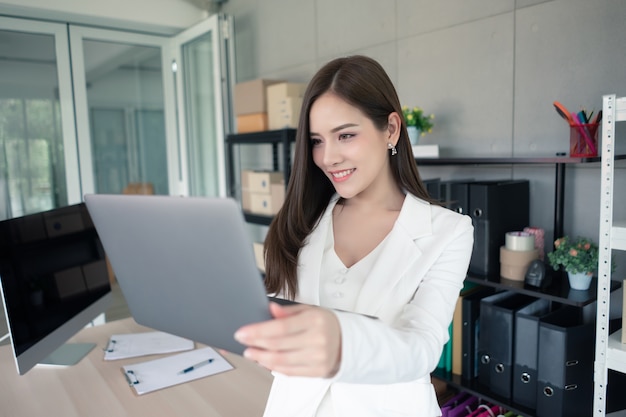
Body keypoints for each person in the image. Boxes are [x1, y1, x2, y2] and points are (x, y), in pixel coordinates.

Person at [234, 55, 474, 417]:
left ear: (391, 129)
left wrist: (341, 343)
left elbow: (423, 347)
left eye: (345, 135)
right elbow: (276, 317)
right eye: (317, 140)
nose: (328, 157)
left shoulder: (447, 232)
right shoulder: (300, 220)